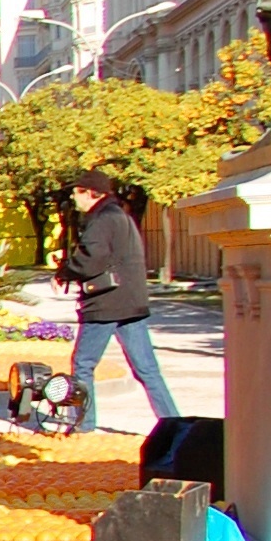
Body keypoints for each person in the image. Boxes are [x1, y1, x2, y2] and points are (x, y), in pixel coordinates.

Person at [59, 169, 177, 434]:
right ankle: (174, 425)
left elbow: (91, 257)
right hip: (131, 302)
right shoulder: (120, 215)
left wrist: (65, 271)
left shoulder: (102, 219)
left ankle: (83, 424)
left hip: (106, 304)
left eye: (76, 191)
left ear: (90, 193)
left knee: (83, 364)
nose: (72, 196)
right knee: (147, 370)